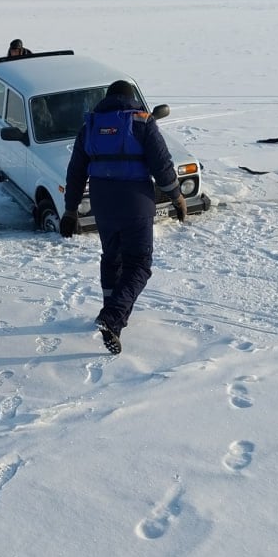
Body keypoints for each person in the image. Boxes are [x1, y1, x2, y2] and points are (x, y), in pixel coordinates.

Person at [60, 80, 187, 355]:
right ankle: (113, 316)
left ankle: (111, 312)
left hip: (103, 202)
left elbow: (75, 172)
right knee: (139, 263)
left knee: (112, 256)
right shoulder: (142, 122)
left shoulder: (90, 125)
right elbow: (162, 165)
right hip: (135, 201)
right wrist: (177, 197)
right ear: (131, 99)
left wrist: (70, 209)